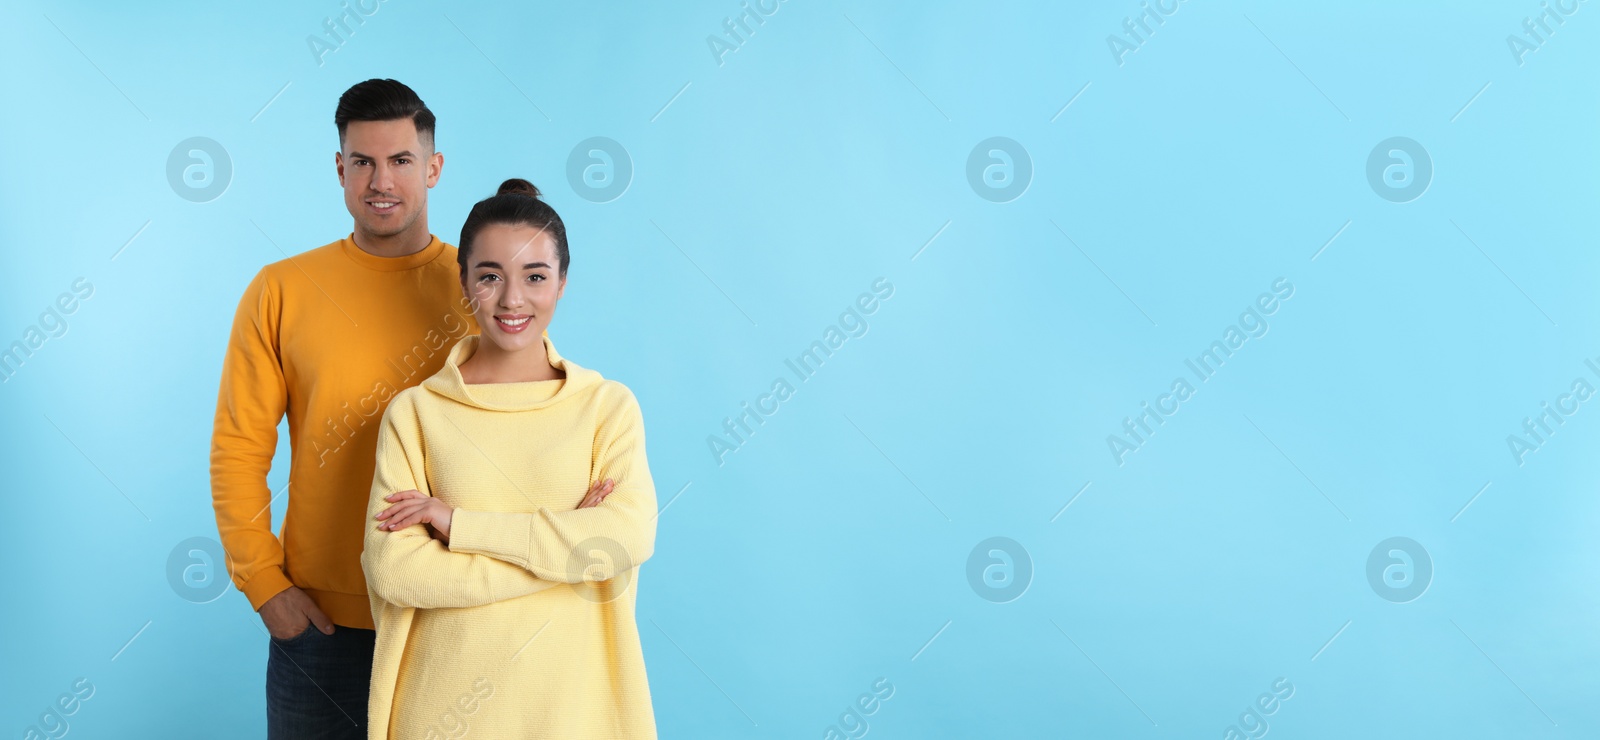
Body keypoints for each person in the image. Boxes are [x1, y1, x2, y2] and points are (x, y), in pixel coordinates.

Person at [208, 79, 617, 738]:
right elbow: (236, 451)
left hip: (454, 619)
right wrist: (265, 587)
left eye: (400, 160)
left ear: (433, 168)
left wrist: (572, 524)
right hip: (322, 625)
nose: (381, 180)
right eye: (362, 161)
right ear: (339, 169)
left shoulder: (486, 281)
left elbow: (539, 415)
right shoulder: (280, 291)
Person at [361, 178, 658, 739]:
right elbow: (395, 571)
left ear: (563, 282)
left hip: (577, 708)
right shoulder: (417, 413)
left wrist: (461, 526)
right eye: (490, 276)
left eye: (536, 277)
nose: (513, 299)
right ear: (465, 281)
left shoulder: (605, 407)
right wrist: (568, 559)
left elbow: (625, 538)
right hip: (442, 709)